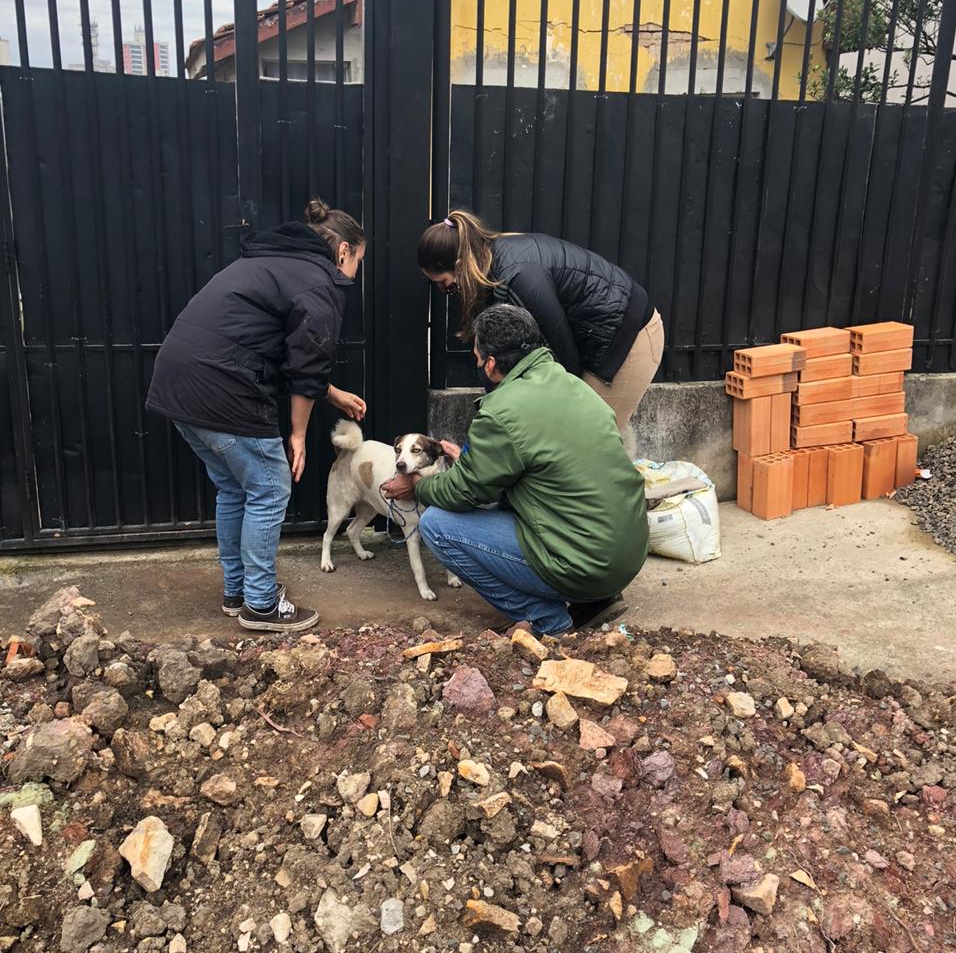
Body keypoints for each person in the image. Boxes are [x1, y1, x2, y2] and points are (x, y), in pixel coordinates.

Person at [146, 198, 367, 632]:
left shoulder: (272, 263)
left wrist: (333, 394)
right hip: (221, 389)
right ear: (342, 251)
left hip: (178, 384)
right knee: (269, 489)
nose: (356, 271)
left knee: (234, 489)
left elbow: (269, 347)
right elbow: (305, 365)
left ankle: (238, 592)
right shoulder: (318, 283)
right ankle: (262, 605)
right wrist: (299, 435)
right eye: (359, 259)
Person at [382, 306, 649, 635]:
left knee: (437, 525)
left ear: (491, 365)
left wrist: (417, 488)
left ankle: (544, 617)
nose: (479, 367)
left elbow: (464, 492)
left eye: (478, 360)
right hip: (628, 551)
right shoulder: (574, 386)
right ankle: (595, 600)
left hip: (584, 563)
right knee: (517, 500)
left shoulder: (500, 410)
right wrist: (472, 464)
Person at [417, 210, 664, 434]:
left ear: (460, 266)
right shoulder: (491, 266)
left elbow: (565, 362)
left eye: (445, 285)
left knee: (586, 438)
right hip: (595, 338)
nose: (446, 292)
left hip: (627, 338)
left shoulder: (519, 277)